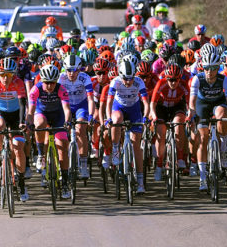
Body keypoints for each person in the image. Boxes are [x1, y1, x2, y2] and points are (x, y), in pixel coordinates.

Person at [0, 57, 31, 201]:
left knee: (18, 148)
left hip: (16, 115)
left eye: (9, 75)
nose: (5, 78)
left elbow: (23, 104)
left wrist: (23, 122)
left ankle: (22, 183)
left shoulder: (18, 83)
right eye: (2, 74)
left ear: (14, 74)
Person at [187, 47, 227, 191]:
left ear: (217, 67)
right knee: (203, 138)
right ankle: (202, 178)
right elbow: (192, 102)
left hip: (218, 103)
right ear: (203, 67)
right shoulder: (197, 79)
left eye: (213, 68)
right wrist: (191, 114)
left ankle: (224, 147)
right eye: (206, 68)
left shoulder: (224, 79)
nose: (209, 72)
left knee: (222, 115)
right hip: (202, 105)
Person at [105, 55, 149, 194]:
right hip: (119, 107)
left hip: (134, 109)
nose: (128, 82)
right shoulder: (115, 82)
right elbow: (109, 103)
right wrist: (108, 118)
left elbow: (146, 103)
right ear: (120, 76)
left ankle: (141, 182)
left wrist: (146, 117)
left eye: (131, 78)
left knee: (136, 146)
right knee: (116, 120)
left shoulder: (139, 82)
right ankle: (116, 148)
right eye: (125, 79)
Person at [29, 64, 74, 199]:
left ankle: (65, 182)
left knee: (63, 147)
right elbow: (30, 111)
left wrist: (67, 122)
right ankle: (41, 154)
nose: (49, 86)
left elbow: (66, 109)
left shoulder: (61, 89)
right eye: (46, 83)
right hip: (41, 113)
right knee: (40, 124)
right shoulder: (35, 89)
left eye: (52, 83)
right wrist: (30, 123)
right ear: (42, 80)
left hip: (57, 115)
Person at [149, 62, 190, 181]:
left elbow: (188, 104)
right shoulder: (161, 83)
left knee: (179, 124)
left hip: (176, 107)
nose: (173, 83)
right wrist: (154, 116)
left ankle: (181, 157)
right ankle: (159, 165)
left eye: (175, 80)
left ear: (179, 79)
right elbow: (153, 103)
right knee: (161, 134)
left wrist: (189, 116)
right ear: (166, 78)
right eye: (170, 80)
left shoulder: (183, 85)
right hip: (161, 108)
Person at [59, 51, 95, 179]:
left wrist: (91, 115)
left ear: (79, 69)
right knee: (63, 132)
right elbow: (58, 99)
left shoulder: (85, 78)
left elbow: (91, 99)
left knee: (81, 130)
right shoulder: (61, 78)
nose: (71, 73)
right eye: (68, 70)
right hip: (66, 106)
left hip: (81, 106)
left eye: (74, 70)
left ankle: (84, 165)